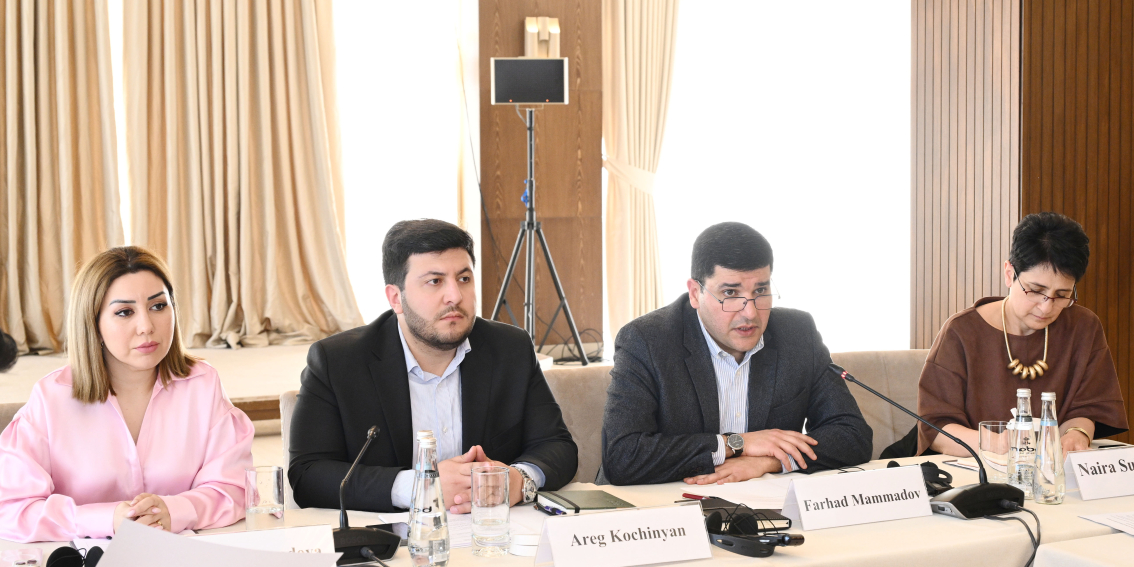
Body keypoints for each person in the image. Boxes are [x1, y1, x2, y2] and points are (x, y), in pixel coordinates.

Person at [289, 219, 577, 514]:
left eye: (464, 278)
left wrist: (518, 480)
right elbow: (307, 474)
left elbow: (557, 446)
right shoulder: (338, 361)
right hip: (392, 536)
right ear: (396, 298)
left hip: (491, 531)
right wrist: (420, 487)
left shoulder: (510, 349)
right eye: (435, 281)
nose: (455, 296)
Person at [0, 247, 254, 543]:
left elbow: (236, 488)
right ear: (93, 322)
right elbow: (11, 508)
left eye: (158, 306)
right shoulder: (50, 398)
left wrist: (176, 511)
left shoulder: (203, 385)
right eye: (124, 312)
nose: (146, 327)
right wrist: (106, 519)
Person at [599, 222, 873, 486]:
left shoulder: (798, 335)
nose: (750, 312)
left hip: (763, 500)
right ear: (695, 293)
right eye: (730, 293)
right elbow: (622, 457)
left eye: (761, 290)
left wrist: (769, 461)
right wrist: (736, 444)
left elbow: (853, 435)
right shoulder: (646, 341)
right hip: (665, 504)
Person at [916, 212, 1129, 457]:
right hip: (975, 468)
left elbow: (1088, 407)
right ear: (1010, 274)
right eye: (1036, 290)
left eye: (1062, 295)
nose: (1046, 307)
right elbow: (936, 429)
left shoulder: (1083, 327)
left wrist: (1076, 434)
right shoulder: (962, 332)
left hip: (1050, 469)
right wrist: (995, 443)